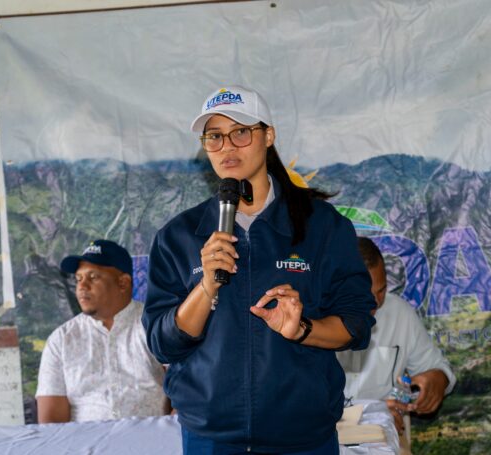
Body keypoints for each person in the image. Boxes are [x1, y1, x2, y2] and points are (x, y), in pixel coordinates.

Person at [142, 85, 377, 454]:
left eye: (240, 132)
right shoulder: (179, 236)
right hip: (211, 439)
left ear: (268, 136)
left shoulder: (323, 227)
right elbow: (162, 344)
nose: (227, 147)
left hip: (303, 438)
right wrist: (206, 287)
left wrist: (301, 329)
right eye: (214, 137)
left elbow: (356, 325)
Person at [36, 239, 168, 423]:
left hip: (153, 437)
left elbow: (185, 398)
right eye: (78, 279)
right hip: (84, 440)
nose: (82, 286)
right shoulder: (61, 340)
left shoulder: (155, 325)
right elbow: (51, 424)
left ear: (123, 283)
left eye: (93, 277)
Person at [336, 237, 456, 432]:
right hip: (325, 437)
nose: (375, 302)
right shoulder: (314, 321)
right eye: (365, 293)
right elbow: (301, 406)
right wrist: (369, 416)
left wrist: (438, 379)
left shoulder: (400, 313)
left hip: (384, 437)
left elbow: (436, 367)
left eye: (381, 290)